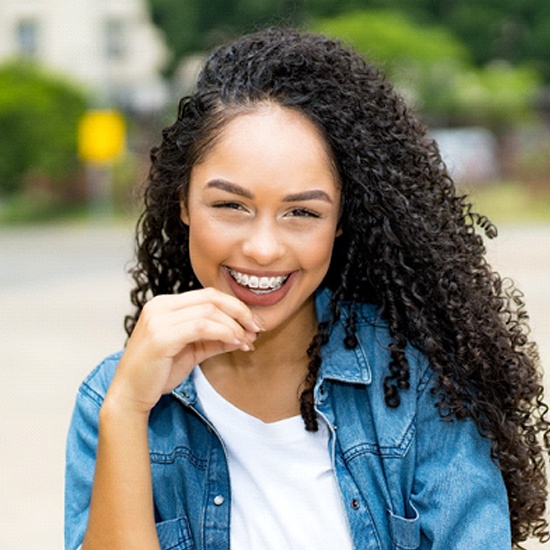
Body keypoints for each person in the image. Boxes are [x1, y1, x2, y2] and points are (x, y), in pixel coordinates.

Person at [65, 27, 550, 550]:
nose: (264, 248)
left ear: (342, 220)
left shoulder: (420, 388)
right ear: (182, 202)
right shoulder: (113, 399)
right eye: (231, 205)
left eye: (302, 212)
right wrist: (127, 411)